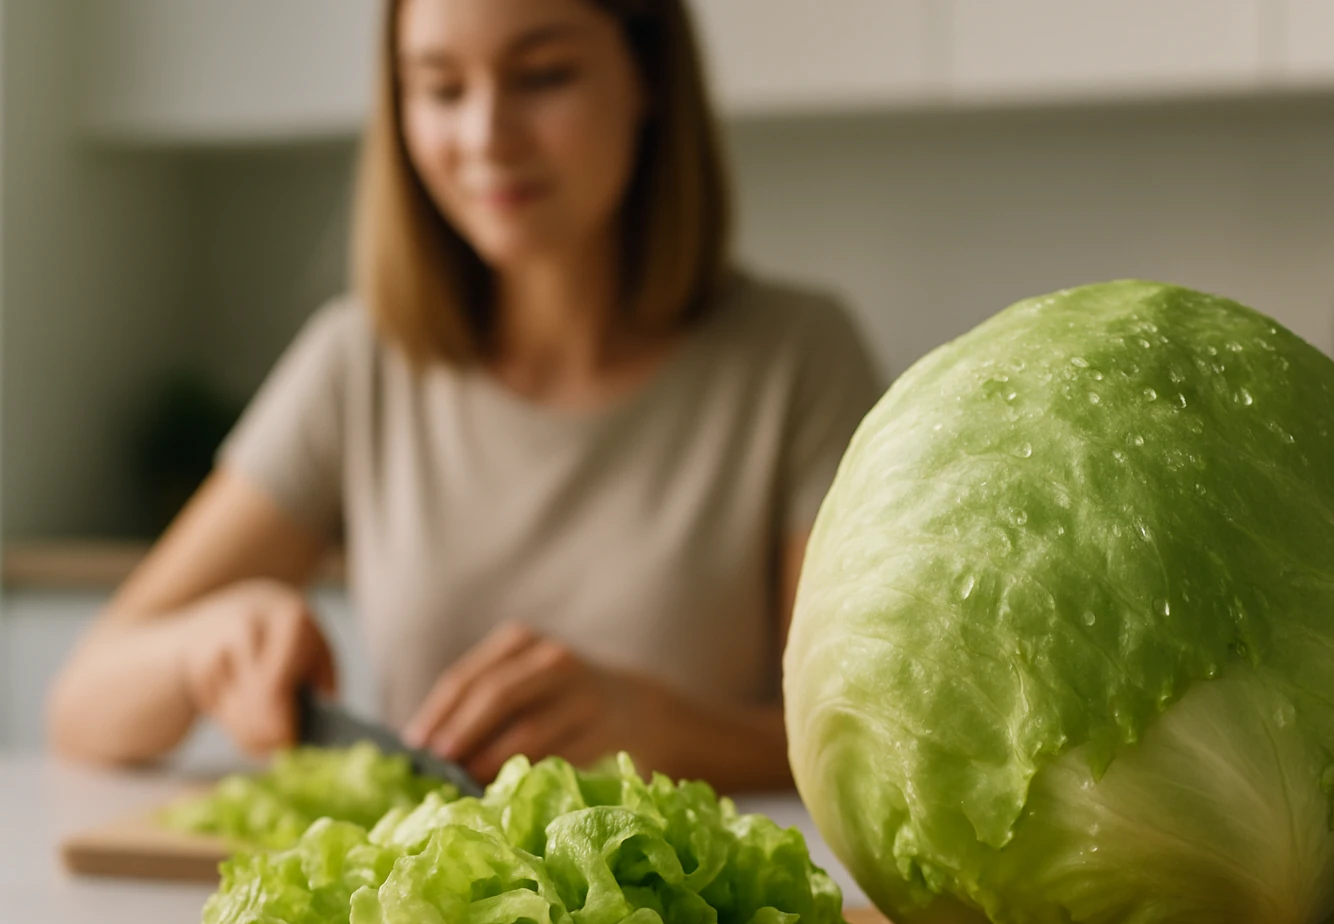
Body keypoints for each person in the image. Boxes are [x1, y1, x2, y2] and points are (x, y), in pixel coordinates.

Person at [47, 0, 879, 793]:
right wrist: (202, 646)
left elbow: (869, 739)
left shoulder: (798, 359)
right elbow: (80, 703)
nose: (485, 135)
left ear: (649, 77)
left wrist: (660, 728)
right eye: (441, 89)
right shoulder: (358, 363)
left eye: (544, 75)